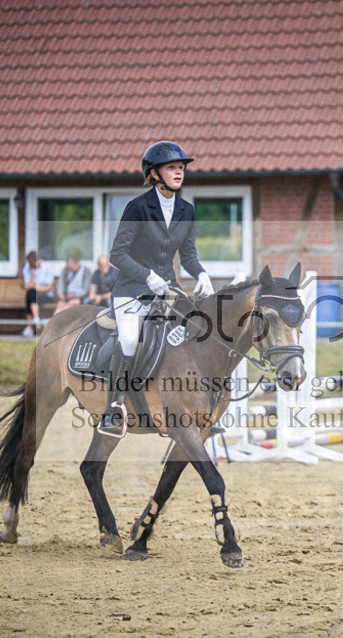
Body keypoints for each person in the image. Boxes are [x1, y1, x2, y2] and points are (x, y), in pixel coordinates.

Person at [99, 141, 214, 437]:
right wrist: (146, 275)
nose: (179, 172)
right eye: (172, 168)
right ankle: (114, 407)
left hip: (168, 291)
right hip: (133, 290)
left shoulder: (186, 210)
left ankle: (199, 407)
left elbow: (187, 256)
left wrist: (201, 273)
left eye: (181, 168)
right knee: (128, 340)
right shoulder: (137, 207)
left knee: (198, 331)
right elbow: (117, 255)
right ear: (154, 174)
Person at [21, 250, 55, 337]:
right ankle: (36, 319)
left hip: (46, 295)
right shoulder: (27, 268)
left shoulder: (47, 268)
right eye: (31, 264)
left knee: (31, 295)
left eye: (34, 263)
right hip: (34, 294)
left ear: (39, 260)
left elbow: (48, 288)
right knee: (31, 294)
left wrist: (36, 287)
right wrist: (32, 275)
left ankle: (30, 327)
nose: (33, 266)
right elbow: (27, 286)